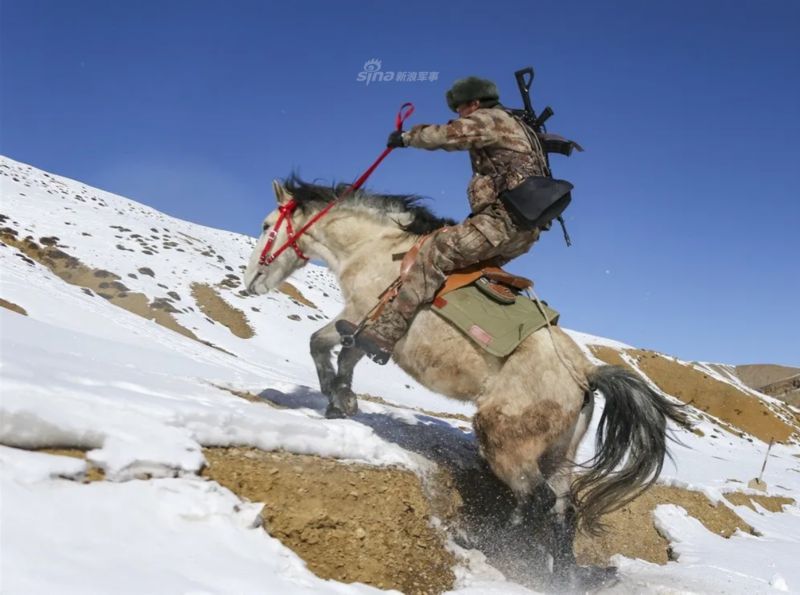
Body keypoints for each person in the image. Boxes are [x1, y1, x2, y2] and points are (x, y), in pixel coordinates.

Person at [338, 76, 550, 365]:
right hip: (524, 232)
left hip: (500, 224)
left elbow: (450, 135)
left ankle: (384, 335)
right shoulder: (517, 126)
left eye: (461, 109)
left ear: (475, 103)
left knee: (433, 253)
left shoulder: (490, 119)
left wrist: (407, 137)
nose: (459, 115)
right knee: (465, 272)